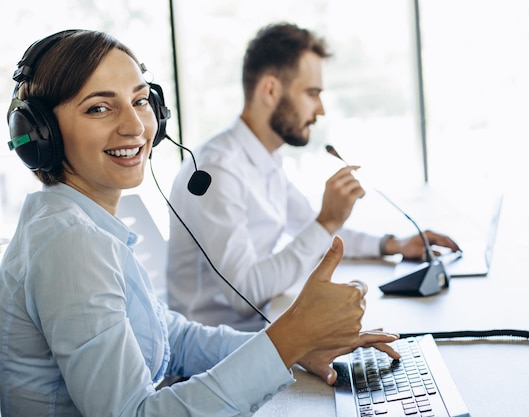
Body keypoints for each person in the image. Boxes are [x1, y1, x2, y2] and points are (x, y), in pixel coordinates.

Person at [0, 29, 401, 416]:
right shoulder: (70, 244)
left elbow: (170, 336)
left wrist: (294, 347)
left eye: (141, 102)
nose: (136, 127)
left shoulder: (81, 223)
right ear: (40, 134)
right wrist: (290, 336)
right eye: (99, 108)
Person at [167, 22, 460, 331]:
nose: (320, 109)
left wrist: (393, 245)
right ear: (270, 90)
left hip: (259, 330)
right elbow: (246, 293)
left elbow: (316, 233)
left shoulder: (263, 159)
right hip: (215, 355)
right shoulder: (217, 170)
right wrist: (327, 222)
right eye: (312, 93)